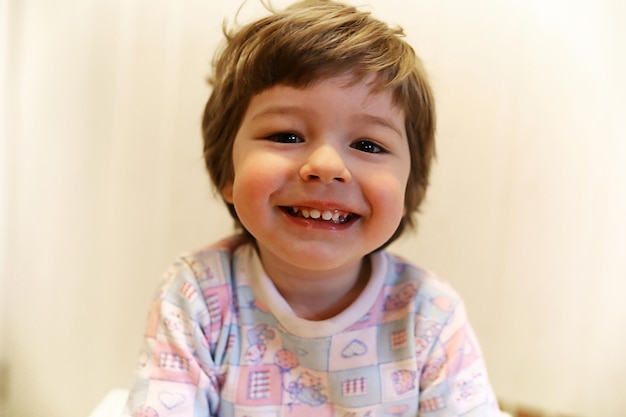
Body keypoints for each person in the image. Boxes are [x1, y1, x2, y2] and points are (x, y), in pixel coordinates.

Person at [124, 1, 500, 416]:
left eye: (368, 145)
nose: (325, 166)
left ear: (408, 191)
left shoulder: (428, 313)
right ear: (228, 172)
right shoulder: (199, 294)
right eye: (286, 136)